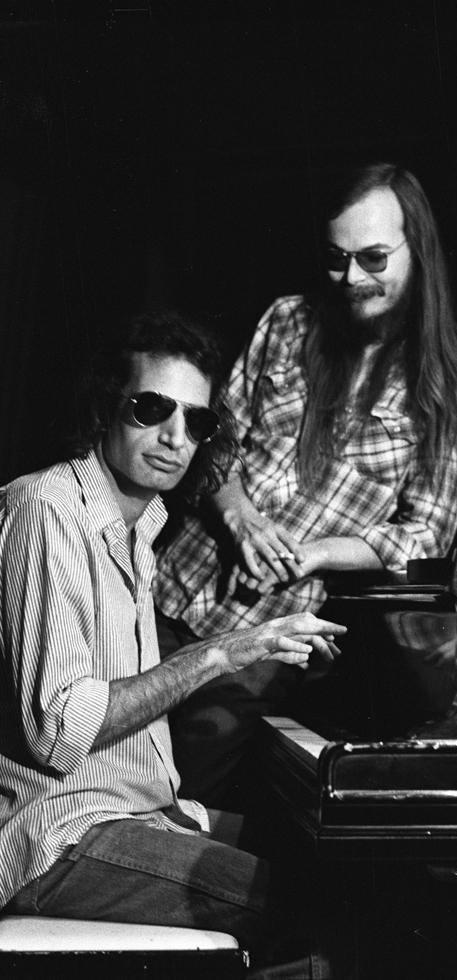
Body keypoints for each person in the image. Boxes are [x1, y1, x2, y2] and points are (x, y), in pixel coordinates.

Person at [0, 311, 349, 979]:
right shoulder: (46, 509)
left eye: (197, 420)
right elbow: (59, 731)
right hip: (57, 836)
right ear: (106, 405)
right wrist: (218, 653)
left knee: (341, 863)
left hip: (140, 813)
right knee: (313, 906)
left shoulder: (140, 526)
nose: (174, 436)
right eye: (152, 408)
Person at [154, 162, 457, 805]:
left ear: (418, 251)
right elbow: (215, 438)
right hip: (165, 594)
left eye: (373, 258)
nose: (352, 278)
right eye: (336, 259)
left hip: (266, 644)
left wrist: (316, 555)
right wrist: (240, 515)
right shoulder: (287, 320)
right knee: (91, 777)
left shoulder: (449, 387)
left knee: (180, 806)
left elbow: (426, 535)